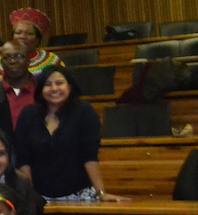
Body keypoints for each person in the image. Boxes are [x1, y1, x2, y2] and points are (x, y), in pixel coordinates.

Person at [14, 66, 128, 202]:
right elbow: (24, 160)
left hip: (79, 193)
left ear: (69, 87)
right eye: (48, 84)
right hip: (39, 196)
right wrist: (30, 197)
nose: (54, 88)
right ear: (40, 89)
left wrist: (101, 193)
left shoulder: (84, 111)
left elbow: (89, 156)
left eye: (59, 83)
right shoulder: (28, 114)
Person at [0, 8, 64, 81]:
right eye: (18, 33)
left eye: (29, 34)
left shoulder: (52, 60)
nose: (22, 37)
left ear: (37, 38)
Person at [0, 39, 38, 129]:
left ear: (29, 60)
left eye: (19, 56)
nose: (13, 61)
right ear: (1, 62)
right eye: (7, 57)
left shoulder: (40, 89)